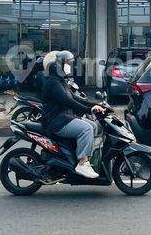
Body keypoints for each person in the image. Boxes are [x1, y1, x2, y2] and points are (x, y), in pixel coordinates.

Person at [41, 50, 105, 178]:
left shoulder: (61, 81)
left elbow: (76, 98)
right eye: (67, 63)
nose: (70, 66)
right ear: (59, 65)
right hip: (56, 121)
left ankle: (79, 156)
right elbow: (67, 101)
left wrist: (95, 105)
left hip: (64, 117)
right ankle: (82, 163)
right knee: (86, 129)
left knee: (93, 125)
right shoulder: (53, 83)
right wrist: (89, 110)